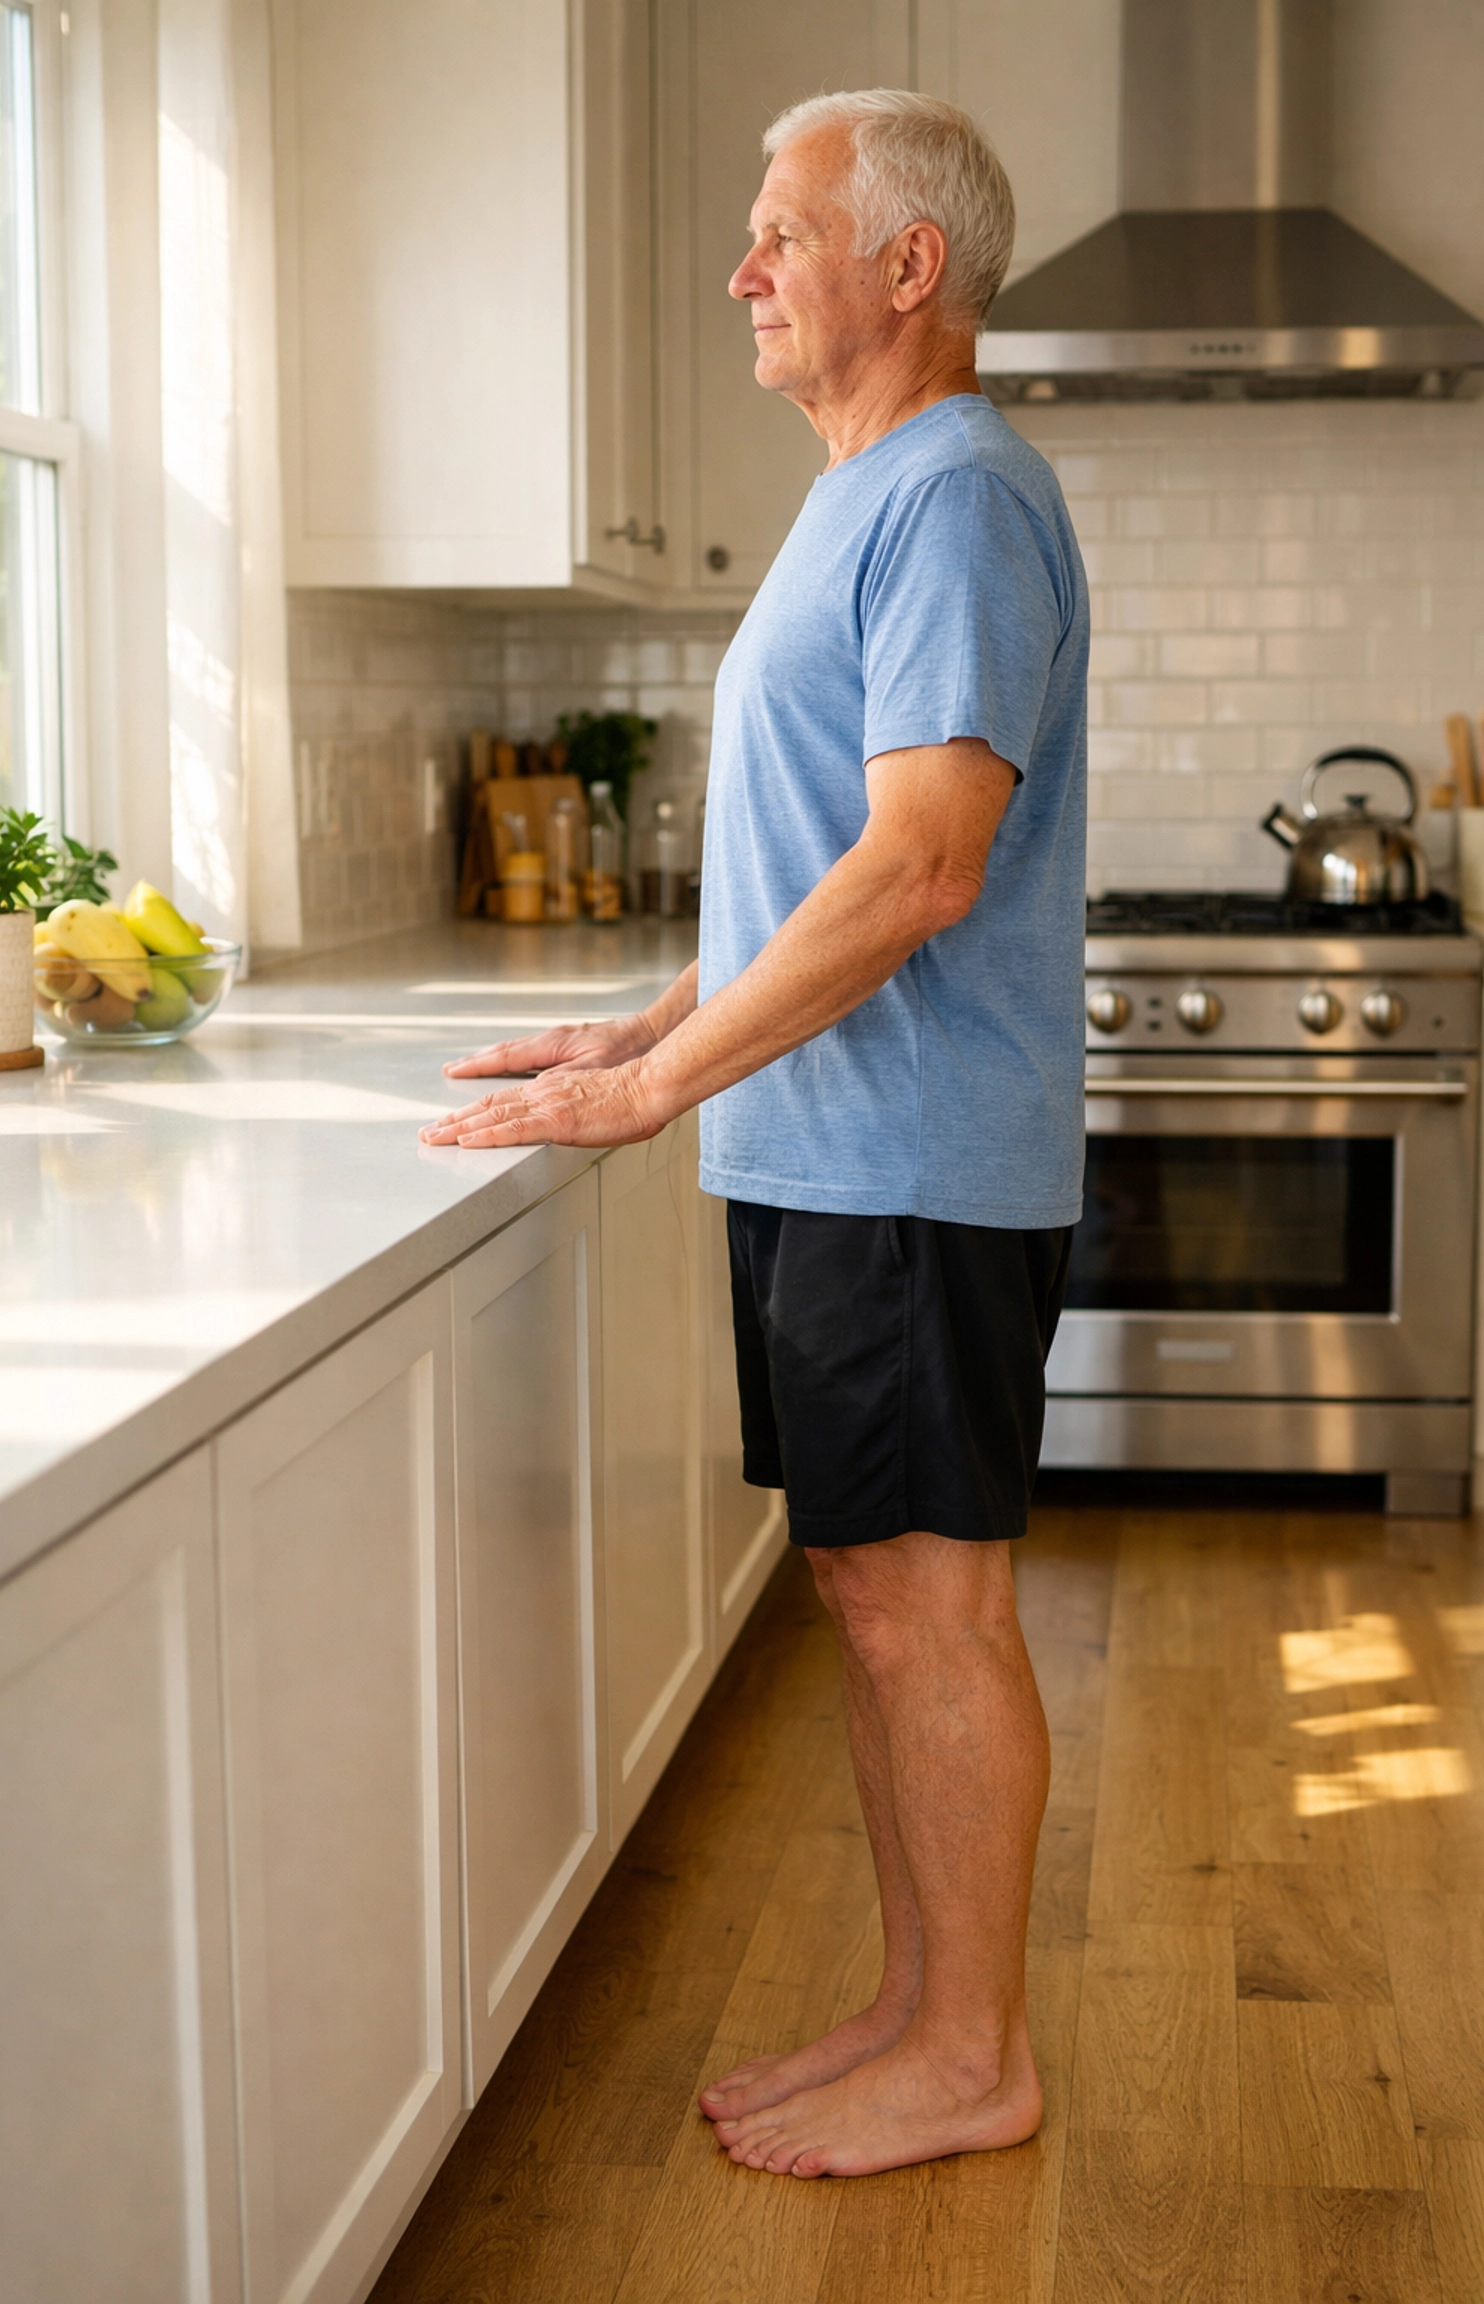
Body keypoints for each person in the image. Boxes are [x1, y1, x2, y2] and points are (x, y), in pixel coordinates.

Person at [419, 87, 1088, 2181]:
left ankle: (976, 2055)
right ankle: (918, 2009)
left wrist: (640, 1090)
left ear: (909, 265)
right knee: (872, 1605)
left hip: (903, 1167)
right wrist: (659, 1010)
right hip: (829, 1158)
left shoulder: (955, 495)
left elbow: (919, 872)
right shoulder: (869, 491)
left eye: (779, 233)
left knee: (932, 1614)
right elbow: (820, 869)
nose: (741, 272)